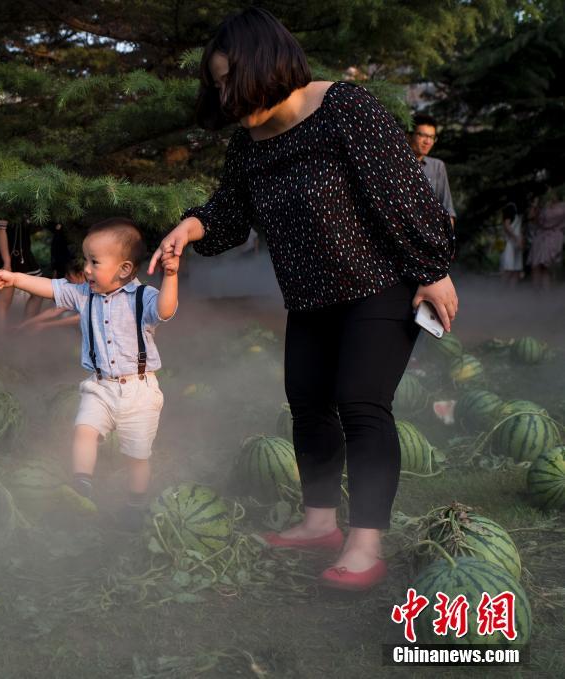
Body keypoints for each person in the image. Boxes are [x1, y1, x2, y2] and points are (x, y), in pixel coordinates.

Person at [150, 8, 456, 591]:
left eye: (226, 79)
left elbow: (402, 192)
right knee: (308, 402)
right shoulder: (250, 143)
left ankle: (365, 543)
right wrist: (188, 229)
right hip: (312, 295)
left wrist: (432, 268)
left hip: (380, 285)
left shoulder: (344, 108)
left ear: (262, 65)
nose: (222, 94)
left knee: (361, 403)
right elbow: (230, 213)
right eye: (215, 84)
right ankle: (318, 521)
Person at [0, 218, 179, 530]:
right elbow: (47, 287)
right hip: (99, 385)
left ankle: (135, 502)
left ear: (124, 269)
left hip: (138, 391)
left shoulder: (144, 298)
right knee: (84, 430)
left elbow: (167, 310)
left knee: (137, 456)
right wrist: (13, 278)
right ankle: (82, 484)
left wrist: (171, 276)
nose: (85, 269)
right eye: (86, 260)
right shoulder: (83, 295)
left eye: (94, 262)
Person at [0, 217, 44, 335]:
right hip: (8, 256)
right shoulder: (2, 205)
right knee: (4, 301)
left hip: (24, 255)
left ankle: (26, 330)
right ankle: (1, 340)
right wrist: (7, 262)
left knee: (38, 294)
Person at [408, 113, 456, 228]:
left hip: (430, 234)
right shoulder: (395, 164)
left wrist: (446, 241)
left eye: (431, 137)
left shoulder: (437, 167)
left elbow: (447, 208)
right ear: (408, 136)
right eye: (422, 135)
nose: (427, 142)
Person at [16, 259, 86, 333]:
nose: (66, 277)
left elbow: (80, 318)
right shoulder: (75, 289)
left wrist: (45, 325)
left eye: (69, 275)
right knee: (61, 310)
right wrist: (24, 324)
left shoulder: (91, 290)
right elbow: (55, 310)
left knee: (67, 316)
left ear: (80, 275)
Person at [527, 188, 565, 291]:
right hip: (540, 237)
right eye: (548, 192)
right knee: (538, 267)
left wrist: (543, 209)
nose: (549, 194)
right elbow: (532, 219)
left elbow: (550, 219)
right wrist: (535, 205)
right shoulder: (545, 206)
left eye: (551, 192)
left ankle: (542, 295)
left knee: (543, 266)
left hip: (552, 238)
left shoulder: (562, 207)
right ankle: (538, 296)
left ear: (557, 194)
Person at [499, 202, 524, 286]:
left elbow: (519, 230)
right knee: (508, 269)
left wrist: (520, 240)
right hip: (508, 245)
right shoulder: (510, 208)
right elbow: (507, 226)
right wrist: (517, 238)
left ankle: (511, 293)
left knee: (516, 270)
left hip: (516, 245)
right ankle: (503, 292)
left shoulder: (519, 213)